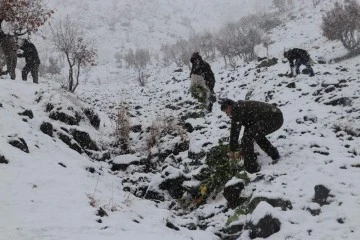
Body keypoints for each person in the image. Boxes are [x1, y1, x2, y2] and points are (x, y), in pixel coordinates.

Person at [221, 99, 283, 173]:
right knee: (253, 135)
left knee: (248, 137)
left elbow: (235, 131)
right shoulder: (242, 108)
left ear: (229, 107)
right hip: (275, 117)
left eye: (226, 112)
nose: (227, 115)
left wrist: (233, 150)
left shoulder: (237, 109)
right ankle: (274, 154)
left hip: (274, 118)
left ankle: (251, 167)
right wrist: (242, 149)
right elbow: (248, 128)